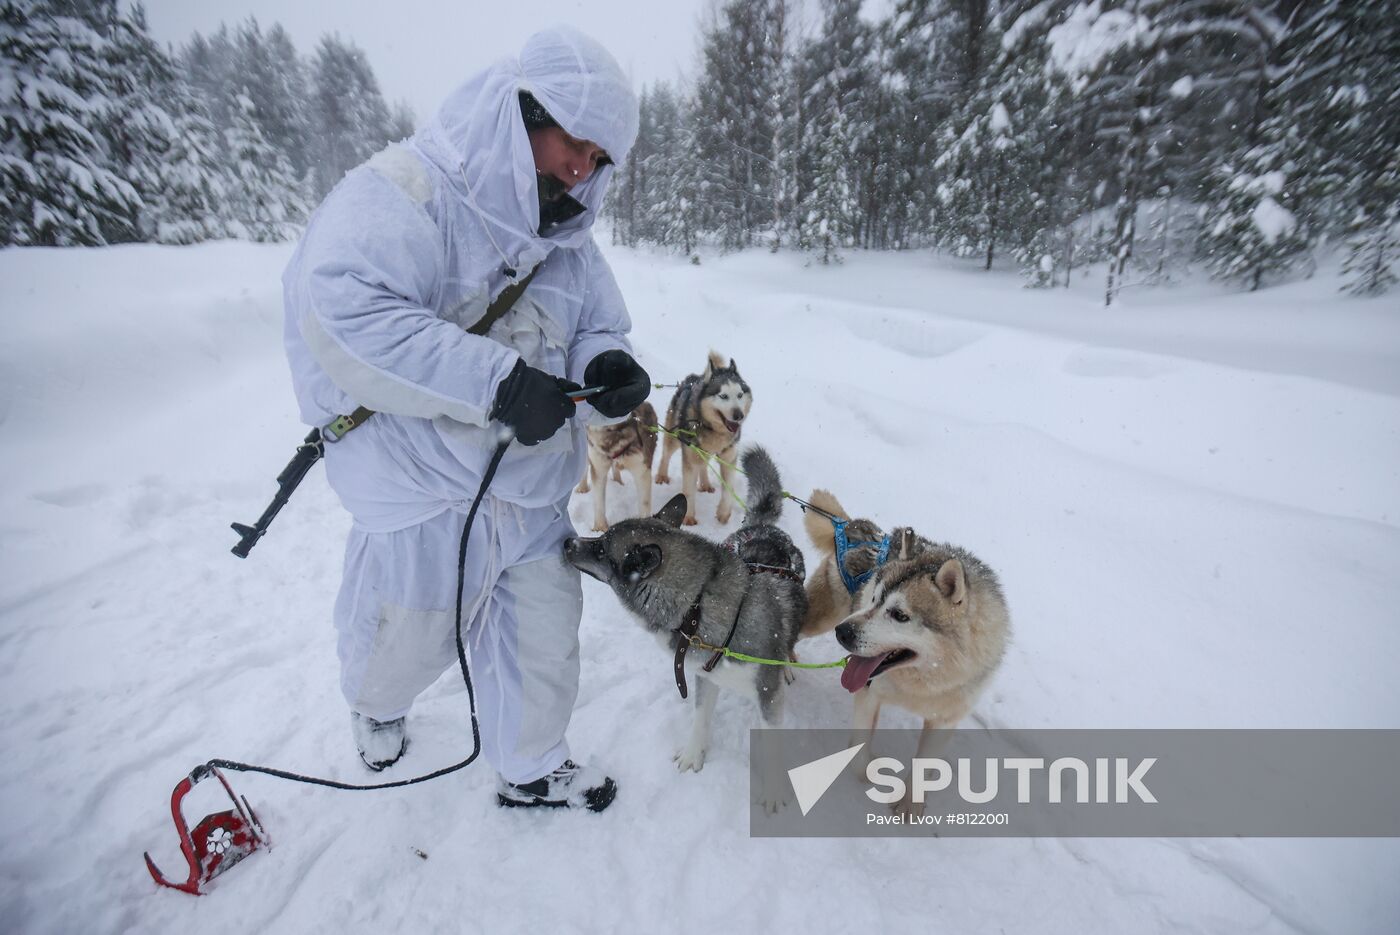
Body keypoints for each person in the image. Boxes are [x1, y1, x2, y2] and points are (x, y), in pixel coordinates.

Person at [281, 27, 649, 812]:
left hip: (531, 487)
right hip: (422, 487)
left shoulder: (570, 242)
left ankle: (530, 763)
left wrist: (604, 366)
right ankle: (377, 707)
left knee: (544, 640)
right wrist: (499, 382)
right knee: (406, 634)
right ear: (522, 113)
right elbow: (343, 311)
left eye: (599, 158)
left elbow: (597, 324)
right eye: (573, 143)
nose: (581, 169)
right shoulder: (408, 191)